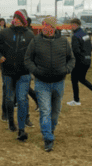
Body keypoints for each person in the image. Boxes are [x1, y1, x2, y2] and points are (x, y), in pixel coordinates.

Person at [24, 16, 74, 152]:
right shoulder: (35, 41)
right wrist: (35, 71)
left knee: (55, 111)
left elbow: (71, 59)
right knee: (45, 110)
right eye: (44, 25)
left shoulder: (63, 41)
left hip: (59, 82)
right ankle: (48, 138)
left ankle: (50, 131)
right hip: (42, 83)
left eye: (49, 26)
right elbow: (28, 59)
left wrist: (66, 70)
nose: (46, 28)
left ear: (54, 27)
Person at [0, 10, 34, 137]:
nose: (15, 20)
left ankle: (24, 123)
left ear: (23, 21)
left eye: (18, 18)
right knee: (9, 97)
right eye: (14, 17)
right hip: (8, 71)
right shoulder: (5, 32)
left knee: (23, 99)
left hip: (24, 72)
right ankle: (10, 122)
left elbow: (35, 52)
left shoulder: (30, 35)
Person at [67, 18, 92, 106]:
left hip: (79, 61)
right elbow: (90, 47)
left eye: (72, 25)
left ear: (76, 25)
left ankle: (76, 100)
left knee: (74, 79)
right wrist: (87, 56)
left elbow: (75, 50)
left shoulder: (75, 36)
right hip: (87, 60)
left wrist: (73, 60)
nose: (71, 27)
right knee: (81, 78)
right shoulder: (85, 34)